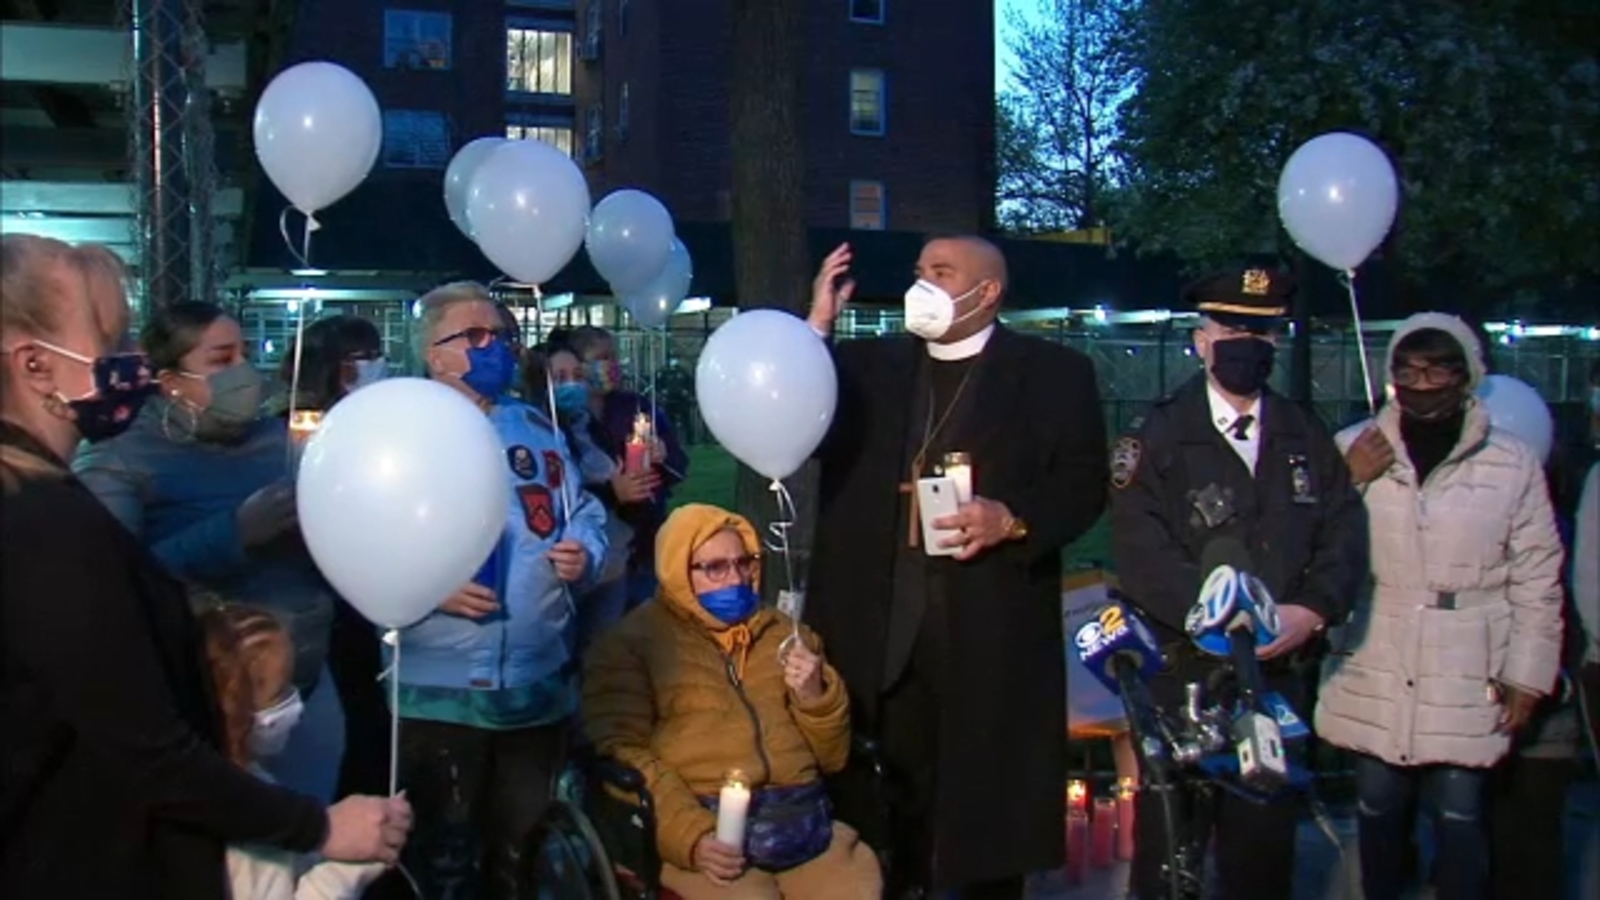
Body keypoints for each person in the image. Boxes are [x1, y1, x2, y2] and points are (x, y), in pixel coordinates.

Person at [0, 233, 408, 898]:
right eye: (108, 341)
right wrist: (319, 829)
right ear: (36, 367)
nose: (128, 360)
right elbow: (145, 752)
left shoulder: (43, 501)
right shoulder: (45, 521)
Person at [804, 238, 1110, 897]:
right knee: (888, 806)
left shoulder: (1055, 373)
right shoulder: (867, 367)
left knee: (987, 814)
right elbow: (805, 421)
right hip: (882, 627)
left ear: (988, 291)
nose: (923, 286)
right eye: (919, 273)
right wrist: (818, 327)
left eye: (941, 274)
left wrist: (1013, 518)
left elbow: (1084, 485)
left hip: (988, 627)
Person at [1110, 266, 1366, 900]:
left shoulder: (1306, 433)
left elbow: (1343, 534)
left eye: (1262, 330)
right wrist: (1216, 615)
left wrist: (1312, 610)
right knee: (1172, 852)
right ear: (1201, 339)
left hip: (1276, 675)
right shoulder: (1158, 434)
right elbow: (1139, 547)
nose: (1247, 343)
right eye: (1231, 328)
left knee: (1262, 851)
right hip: (1184, 673)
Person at [1320, 312, 1566, 900]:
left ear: (1466, 375)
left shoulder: (1512, 462)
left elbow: (1537, 576)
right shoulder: (1354, 447)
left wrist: (1528, 676)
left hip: (1470, 660)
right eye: (1409, 369)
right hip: (1375, 652)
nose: (1422, 383)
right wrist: (1347, 481)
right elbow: (1311, 546)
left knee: (1460, 814)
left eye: (1437, 369)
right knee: (1376, 810)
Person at [73, 301, 347, 803]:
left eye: (244, 354)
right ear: (173, 381)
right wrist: (234, 533)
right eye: (222, 360)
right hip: (202, 702)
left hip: (308, 689)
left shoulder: (282, 442)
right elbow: (114, 581)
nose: (242, 371)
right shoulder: (123, 455)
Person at [398, 281, 608, 899]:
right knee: (444, 860)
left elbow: (583, 509)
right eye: (477, 336)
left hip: (536, 685)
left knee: (521, 856)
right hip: (440, 692)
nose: (498, 349)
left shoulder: (535, 425)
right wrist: (424, 587)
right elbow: (358, 535)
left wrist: (586, 551)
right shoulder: (399, 428)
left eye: (505, 337)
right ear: (434, 353)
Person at [582, 503, 882, 899]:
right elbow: (623, 752)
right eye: (715, 568)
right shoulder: (631, 646)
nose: (736, 579)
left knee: (854, 888)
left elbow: (831, 758)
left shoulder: (787, 635)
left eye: (744, 563)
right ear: (678, 569)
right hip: (703, 823)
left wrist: (816, 698)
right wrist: (693, 837)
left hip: (800, 822)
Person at [196, 600, 391, 900]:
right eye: (279, 692)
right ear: (234, 706)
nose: (296, 706)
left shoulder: (220, 783)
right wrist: (350, 865)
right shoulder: (246, 828)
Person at [276, 313, 392, 800]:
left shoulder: (379, 419)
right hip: (329, 593)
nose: (375, 367)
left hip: (379, 582)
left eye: (375, 356)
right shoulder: (303, 427)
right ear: (334, 367)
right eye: (361, 358)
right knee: (357, 717)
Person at [525, 342, 661, 655]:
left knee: (606, 661)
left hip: (614, 561)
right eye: (559, 377)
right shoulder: (537, 436)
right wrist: (615, 493)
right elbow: (562, 496)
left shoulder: (590, 426)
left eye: (577, 375)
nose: (572, 384)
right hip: (566, 574)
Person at [566, 324, 690, 607]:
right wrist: (613, 491)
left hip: (645, 540)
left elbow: (679, 465)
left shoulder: (636, 406)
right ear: (581, 365)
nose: (611, 365)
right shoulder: (568, 416)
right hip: (595, 545)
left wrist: (664, 455)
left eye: (613, 357)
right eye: (602, 357)